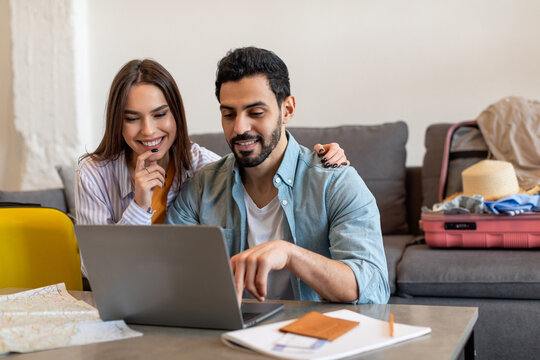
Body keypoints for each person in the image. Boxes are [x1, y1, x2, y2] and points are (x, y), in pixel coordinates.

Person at [166, 47, 390, 304]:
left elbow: (373, 288)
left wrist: (290, 255)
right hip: (229, 334)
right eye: (229, 114)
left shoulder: (336, 183)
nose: (239, 128)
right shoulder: (201, 187)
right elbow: (168, 275)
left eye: (256, 113)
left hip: (314, 335)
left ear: (288, 110)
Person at [75, 59, 347, 225]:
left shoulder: (202, 167)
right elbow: (94, 268)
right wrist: (138, 205)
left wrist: (319, 158)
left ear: (176, 115)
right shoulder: (94, 174)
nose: (148, 131)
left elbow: (262, 173)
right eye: (132, 118)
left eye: (160, 115)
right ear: (117, 122)